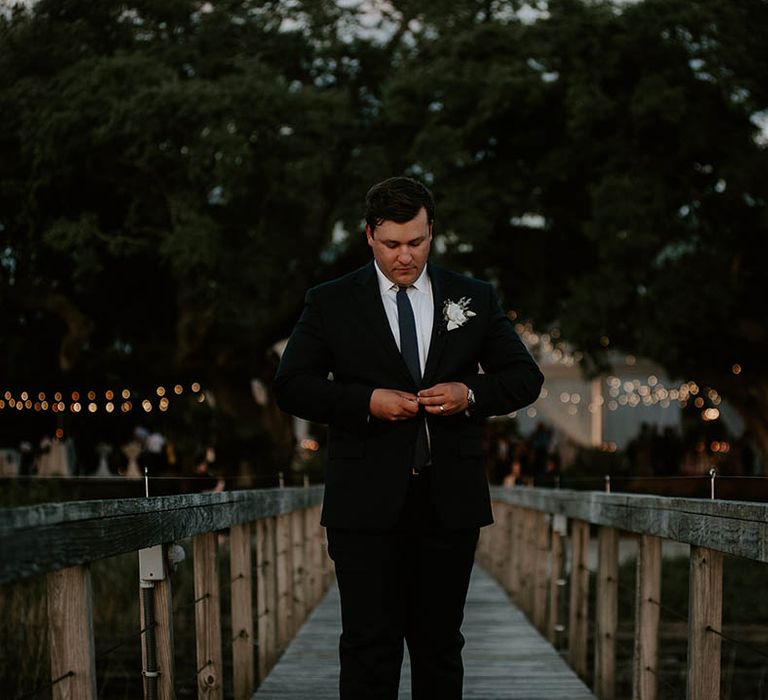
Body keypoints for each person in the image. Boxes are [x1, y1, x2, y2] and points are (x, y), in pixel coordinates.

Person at [274, 176, 543, 699]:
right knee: (368, 649)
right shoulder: (330, 302)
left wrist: (470, 392)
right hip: (363, 506)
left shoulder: (474, 297)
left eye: (417, 243)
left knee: (440, 647)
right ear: (369, 235)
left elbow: (525, 378)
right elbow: (292, 385)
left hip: (450, 503)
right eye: (393, 244)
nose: (405, 256)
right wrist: (364, 401)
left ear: (431, 233)